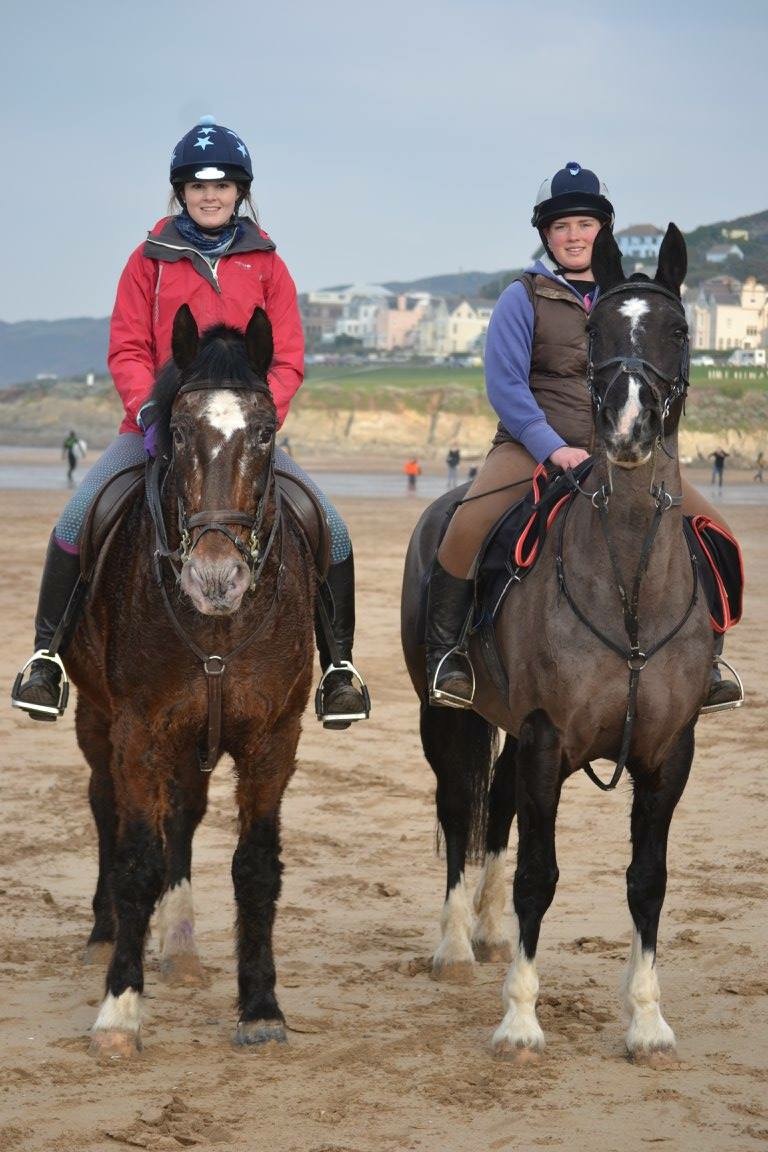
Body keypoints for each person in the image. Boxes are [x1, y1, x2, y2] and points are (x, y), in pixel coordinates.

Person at [12, 116, 369, 730]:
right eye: (198, 187)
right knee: (77, 517)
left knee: (331, 528)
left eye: (223, 186)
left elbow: (287, 359)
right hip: (154, 429)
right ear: (180, 192)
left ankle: (339, 668)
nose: (211, 196)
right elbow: (126, 348)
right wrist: (150, 411)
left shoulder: (268, 266)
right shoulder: (146, 262)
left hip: (240, 437)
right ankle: (46, 655)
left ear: (240, 193)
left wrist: (259, 420)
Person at [424, 161, 742, 711]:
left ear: (605, 232)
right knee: (466, 524)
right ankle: (446, 655)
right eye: (562, 226)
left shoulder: (630, 302)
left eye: (586, 225)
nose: (574, 236)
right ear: (546, 234)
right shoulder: (522, 297)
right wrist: (552, 446)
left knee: (716, 531)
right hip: (531, 447)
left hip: (623, 453)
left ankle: (707, 661)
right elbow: (505, 386)